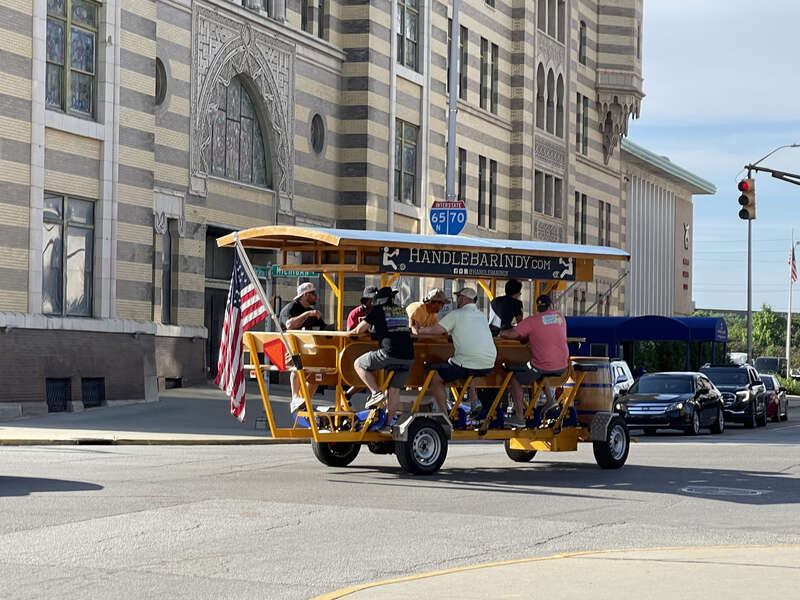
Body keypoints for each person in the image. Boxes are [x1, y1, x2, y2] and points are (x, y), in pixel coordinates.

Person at [418, 288, 497, 415]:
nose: (457, 299)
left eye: (458, 296)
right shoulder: (481, 316)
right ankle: (474, 400)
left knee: (436, 378)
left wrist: (418, 331)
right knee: (466, 367)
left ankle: (444, 415)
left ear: (464, 298)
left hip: (467, 362)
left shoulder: (457, 314)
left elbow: (438, 330)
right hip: (489, 363)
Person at [348, 287, 415, 432]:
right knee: (394, 391)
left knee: (359, 364)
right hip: (408, 357)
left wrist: (350, 333)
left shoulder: (377, 310)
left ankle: (375, 392)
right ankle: (387, 424)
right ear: (392, 299)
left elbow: (359, 330)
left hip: (389, 353)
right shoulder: (402, 310)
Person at [500, 294, 569, 427]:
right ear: (551, 306)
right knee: (539, 368)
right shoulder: (560, 317)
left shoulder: (532, 321)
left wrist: (503, 332)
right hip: (563, 365)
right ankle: (550, 400)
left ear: (538, 308)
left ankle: (519, 417)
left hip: (543, 365)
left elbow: (511, 334)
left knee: (515, 380)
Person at [279, 282, 327, 412]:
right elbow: (289, 325)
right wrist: (307, 315)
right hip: (291, 350)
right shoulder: (291, 308)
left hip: (309, 350)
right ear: (305, 295)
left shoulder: (310, 311)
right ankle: (295, 398)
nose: (316, 297)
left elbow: (324, 328)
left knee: (319, 371)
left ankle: (305, 402)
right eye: (314, 294)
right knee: (298, 364)